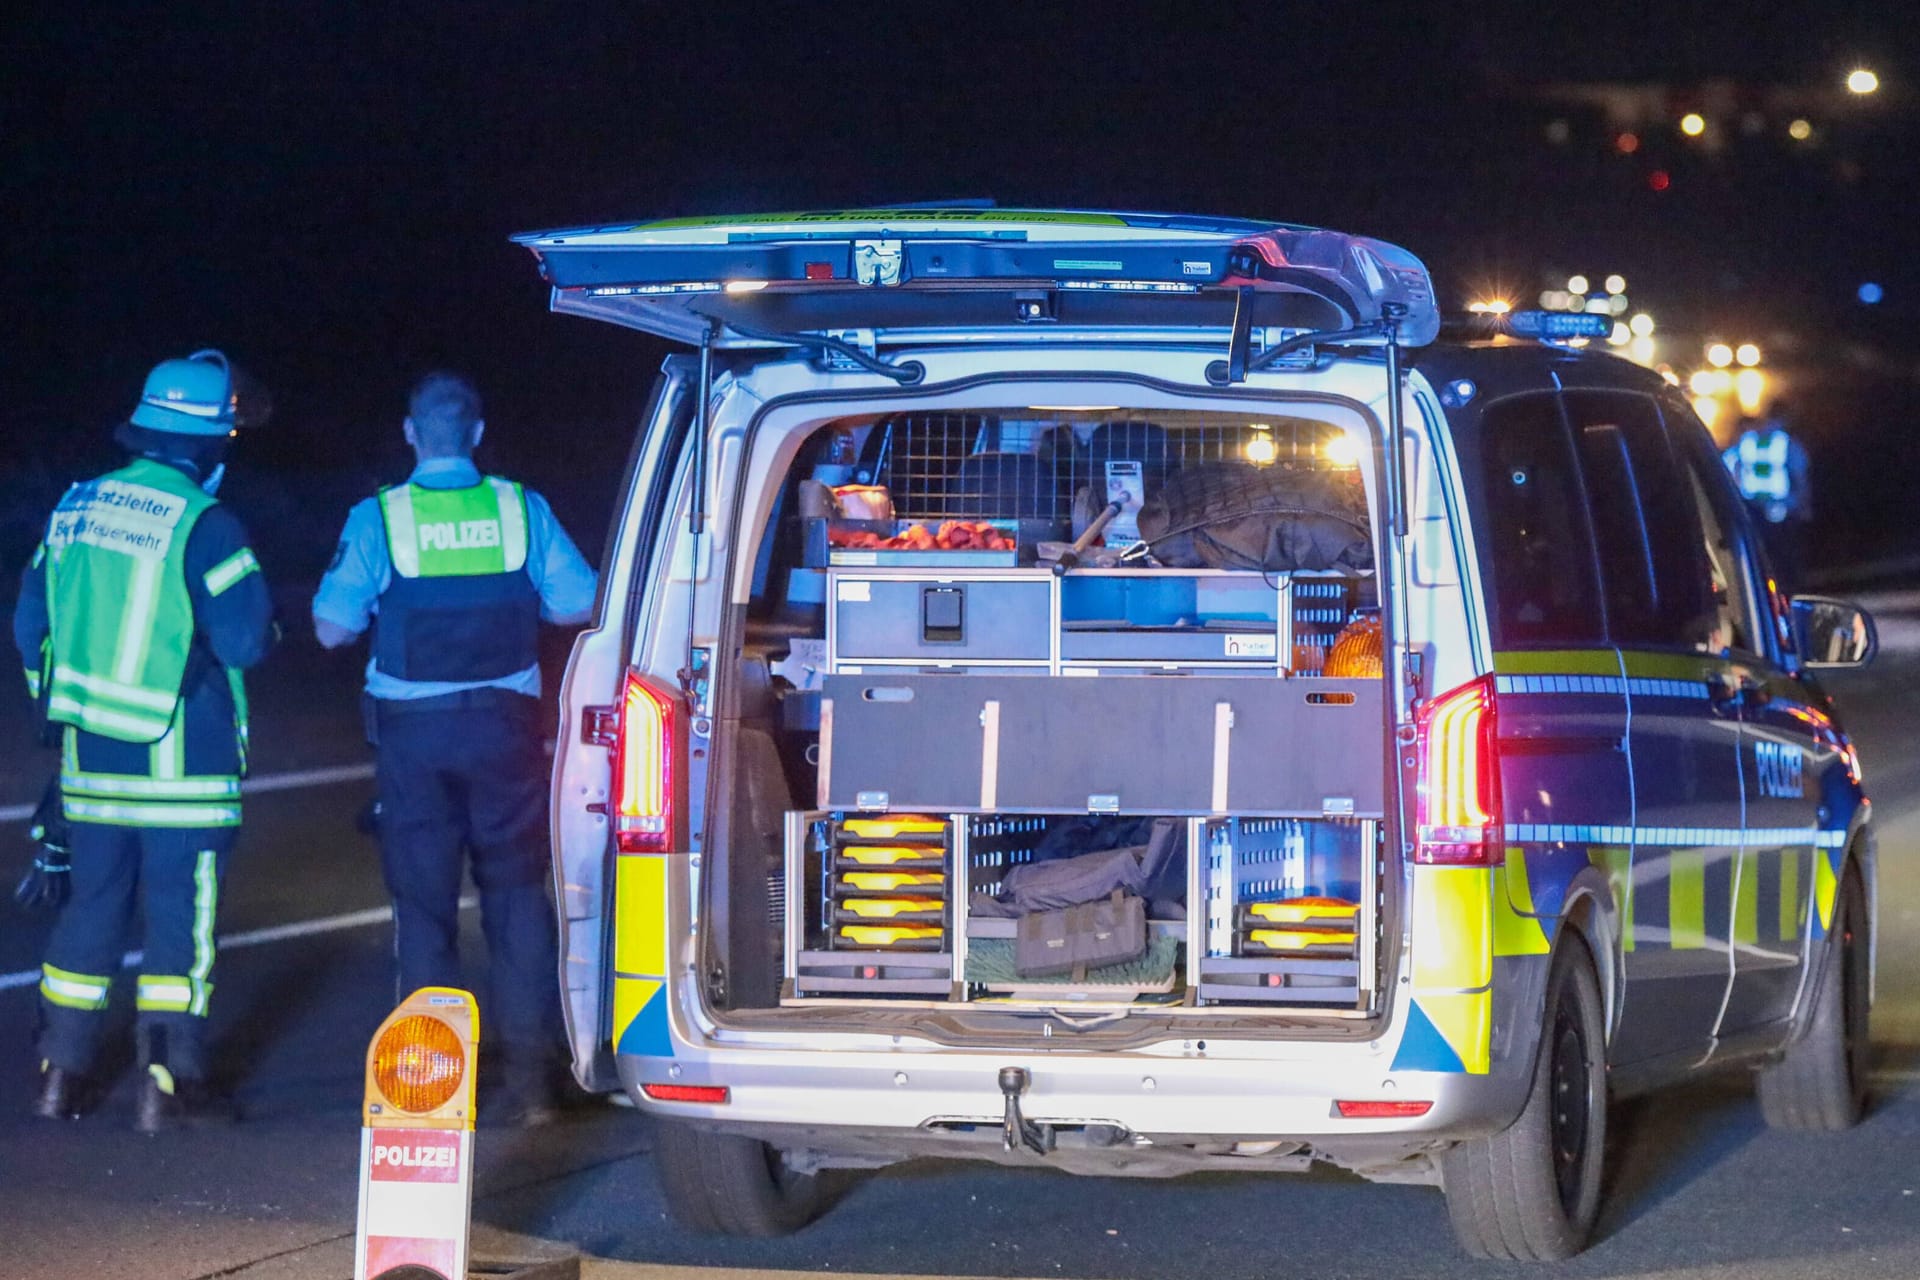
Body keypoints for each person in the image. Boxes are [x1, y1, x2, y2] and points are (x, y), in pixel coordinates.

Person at [312, 371, 596, 1124]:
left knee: (425, 907)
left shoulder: (380, 517)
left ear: (410, 433)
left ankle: (430, 1085)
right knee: (515, 897)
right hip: (505, 732)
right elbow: (577, 602)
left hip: (414, 741)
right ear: (476, 432)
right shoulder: (519, 508)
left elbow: (332, 628)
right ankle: (534, 1083)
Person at [12, 349, 275, 1131]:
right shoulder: (206, 522)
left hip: (91, 769)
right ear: (208, 442)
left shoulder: (74, 508)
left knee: (89, 915)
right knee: (179, 925)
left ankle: (60, 1074)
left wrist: (65, 711)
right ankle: (168, 1079)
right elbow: (244, 642)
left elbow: (32, 627)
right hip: (183, 774)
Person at [1722, 404, 1812, 591]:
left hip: (1753, 508)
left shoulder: (1747, 442)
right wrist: (1804, 506)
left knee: (1763, 557)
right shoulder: (1786, 443)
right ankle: (1790, 592)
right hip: (1783, 509)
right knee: (1786, 558)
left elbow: (1729, 466)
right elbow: (1799, 475)